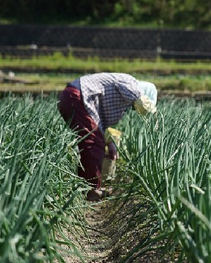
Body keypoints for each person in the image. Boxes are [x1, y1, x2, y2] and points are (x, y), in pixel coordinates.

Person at [58, 72, 157, 201]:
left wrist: (109, 142)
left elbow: (101, 125)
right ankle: (92, 189)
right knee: (93, 143)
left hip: (73, 98)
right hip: (76, 97)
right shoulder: (132, 83)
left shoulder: (120, 101)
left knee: (90, 141)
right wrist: (154, 117)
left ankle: (84, 187)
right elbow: (139, 99)